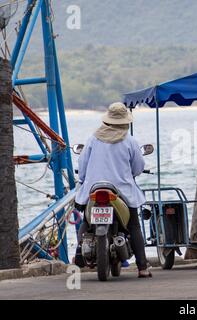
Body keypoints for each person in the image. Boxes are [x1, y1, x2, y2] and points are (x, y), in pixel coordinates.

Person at [73, 102, 152, 278]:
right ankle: (142, 267)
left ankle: (78, 256)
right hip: (121, 192)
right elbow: (138, 167)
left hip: (94, 189)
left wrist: (85, 179)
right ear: (125, 122)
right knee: (133, 225)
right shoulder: (130, 140)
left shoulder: (93, 138)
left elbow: (82, 165)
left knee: (86, 223)